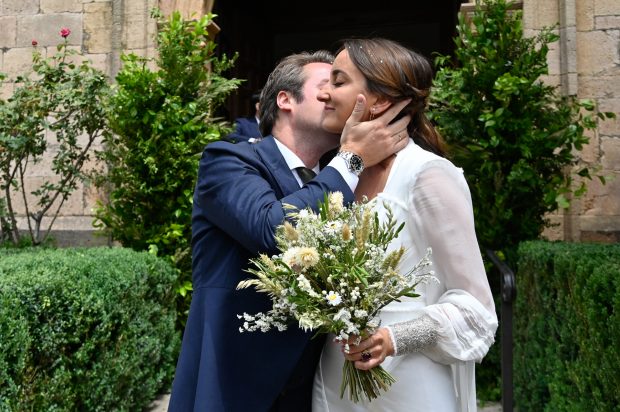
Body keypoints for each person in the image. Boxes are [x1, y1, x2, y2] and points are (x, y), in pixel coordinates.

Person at [168, 50, 411, 411]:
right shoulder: (227, 161)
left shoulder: (344, 185)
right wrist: (352, 158)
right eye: (326, 84)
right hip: (231, 389)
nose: (334, 95)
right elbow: (275, 230)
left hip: (310, 392)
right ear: (285, 100)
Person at [312, 38, 498, 411]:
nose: (323, 94)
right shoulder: (334, 176)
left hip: (407, 386)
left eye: (338, 81)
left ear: (378, 101)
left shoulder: (428, 176)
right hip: (334, 384)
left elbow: (476, 308)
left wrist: (395, 337)